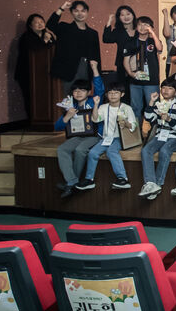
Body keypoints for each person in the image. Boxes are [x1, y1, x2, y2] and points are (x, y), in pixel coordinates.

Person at [75, 82, 136, 193]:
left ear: (122, 94)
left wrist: (125, 123)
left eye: (116, 93)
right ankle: (89, 180)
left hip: (120, 138)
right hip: (106, 138)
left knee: (111, 151)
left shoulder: (127, 108)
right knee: (92, 152)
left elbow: (134, 126)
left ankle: (123, 178)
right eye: (110, 93)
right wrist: (96, 105)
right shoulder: (103, 107)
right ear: (107, 95)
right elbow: (95, 119)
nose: (112, 95)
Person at [54, 60, 103, 198]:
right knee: (62, 149)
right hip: (77, 136)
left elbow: (99, 87)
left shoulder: (93, 101)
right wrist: (67, 116)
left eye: (82, 90)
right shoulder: (70, 105)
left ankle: (71, 183)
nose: (78, 93)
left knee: (80, 150)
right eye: (75, 90)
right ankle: (72, 181)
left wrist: (94, 68)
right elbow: (57, 127)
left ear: (89, 92)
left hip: (94, 135)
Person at [138, 76, 176, 201]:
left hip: (175, 137)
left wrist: (169, 119)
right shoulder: (158, 105)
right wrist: (151, 102)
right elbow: (149, 118)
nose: (165, 90)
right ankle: (150, 183)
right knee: (145, 150)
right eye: (163, 88)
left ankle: (158, 184)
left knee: (165, 151)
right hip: (160, 135)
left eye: (169, 88)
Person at [47, 0, 101, 95]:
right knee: (68, 98)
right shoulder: (64, 27)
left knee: (84, 98)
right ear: (72, 13)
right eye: (76, 11)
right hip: (67, 69)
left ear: (87, 13)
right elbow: (50, 25)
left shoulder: (93, 33)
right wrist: (62, 8)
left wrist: (96, 74)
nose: (80, 14)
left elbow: (96, 55)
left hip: (86, 68)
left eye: (83, 11)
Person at [122, 16, 163, 121]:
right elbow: (125, 61)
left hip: (152, 81)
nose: (142, 27)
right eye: (140, 24)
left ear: (151, 27)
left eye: (146, 25)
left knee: (154, 107)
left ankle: (153, 130)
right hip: (135, 81)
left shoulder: (153, 41)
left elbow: (160, 48)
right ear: (136, 27)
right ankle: (137, 130)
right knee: (136, 108)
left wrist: (152, 33)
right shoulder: (130, 42)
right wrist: (131, 74)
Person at [14, 13, 55, 116]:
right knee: (31, 98)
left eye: (41, 21)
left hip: (43, 74)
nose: (40, 24)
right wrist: (45, 41)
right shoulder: (26, 37)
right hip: (27, 74)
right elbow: (35, 52)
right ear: (30, 25)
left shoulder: (47, 34)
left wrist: (51, 39)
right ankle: (33, 120)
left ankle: (45, 118)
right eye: (36, 22)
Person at [101, 5, 136, 96]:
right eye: (122, 15)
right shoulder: (118, 31)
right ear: (119, 18)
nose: (126, 17)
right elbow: (106, 39)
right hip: (122, 64)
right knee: (124, 88)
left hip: (138, 64)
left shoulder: (139, 30)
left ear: (133, 15)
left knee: (138, 90)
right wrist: (109, 20)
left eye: (128, 14)